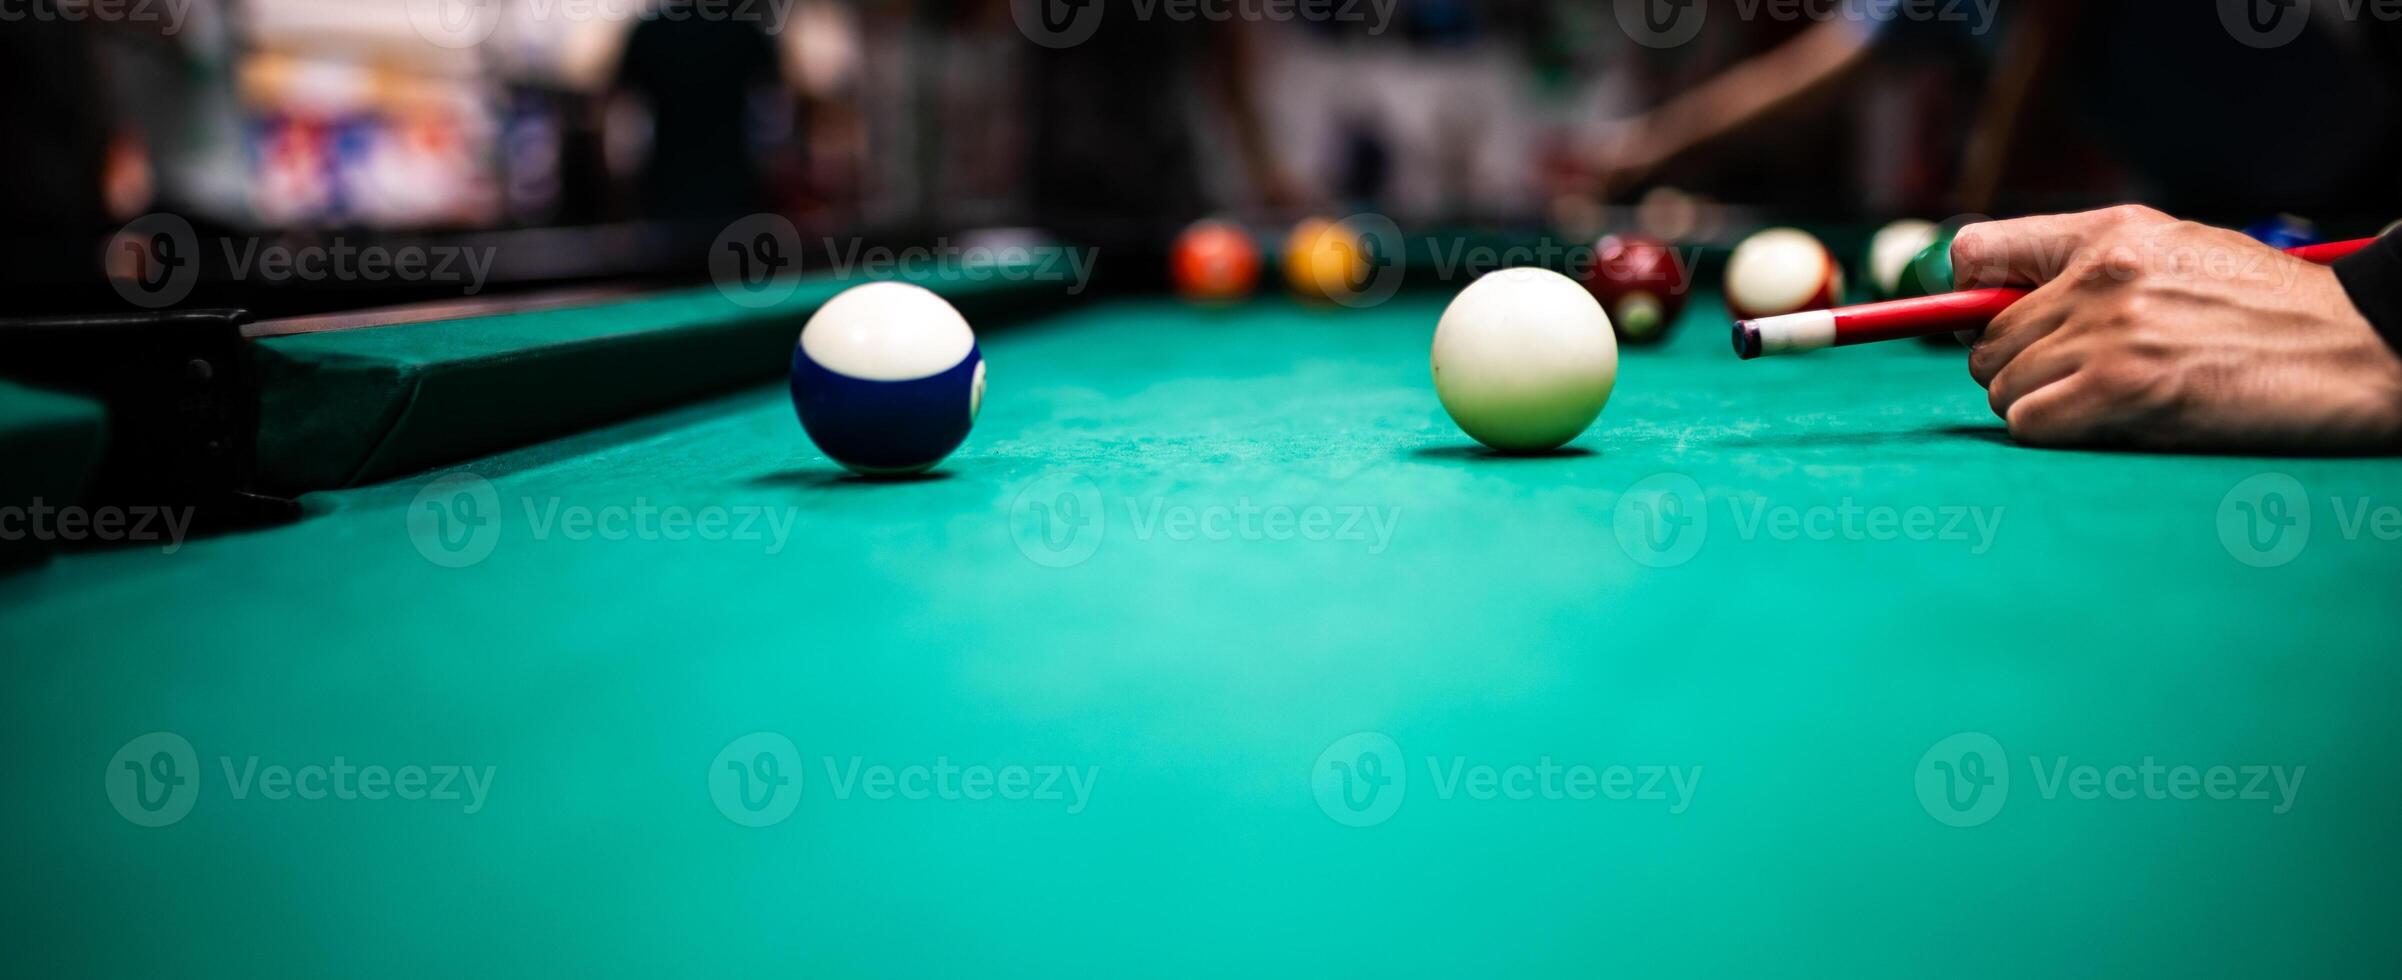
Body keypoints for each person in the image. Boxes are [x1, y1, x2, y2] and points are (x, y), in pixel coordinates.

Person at [1589, 2, 2402, 452]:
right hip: (2228, 208)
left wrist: (1975, 215)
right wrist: (1635, 154)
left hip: (2370, 181)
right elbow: (1812, 73)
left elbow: (2047, 39)